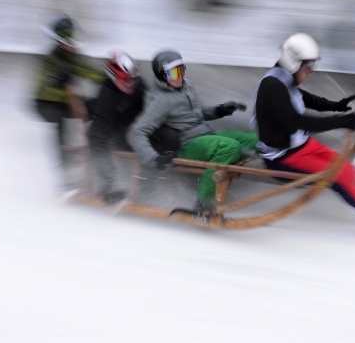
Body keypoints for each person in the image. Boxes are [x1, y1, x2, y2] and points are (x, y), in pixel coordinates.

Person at [253, 32, 355, 237]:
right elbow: (294, 123)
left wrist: (335, 106)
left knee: (348, 170)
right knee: (339, 176)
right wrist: (341, 122)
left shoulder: (282, 78)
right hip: (282, 158)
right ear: (292, 62)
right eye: (309, 66)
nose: (312, 71)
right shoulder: (272, 85)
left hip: (301, 146)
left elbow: (303, 98)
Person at [127, 50, 258, 217]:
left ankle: (276, 165)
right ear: (162, 75)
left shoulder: (187, 86)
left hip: (206, 136)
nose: (179, 75)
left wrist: (219, 110)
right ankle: (203, 204)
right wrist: (154, 158)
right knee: (230, 147)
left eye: (181, 69)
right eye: (174, 72)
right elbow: (136, 132)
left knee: (252, 139)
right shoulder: (161, 101)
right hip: (187, 145)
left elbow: (197, 113)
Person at [34, 15, 104, 167]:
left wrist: (110, 79)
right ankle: (63, 164)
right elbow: (44, 88)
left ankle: (98, 146)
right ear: (60, 41)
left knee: (97, 107)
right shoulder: (51, 59)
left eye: (74, 40)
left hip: (67, 100)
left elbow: (90, 72)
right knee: (60, 121)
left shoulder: (73, 57)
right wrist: (57, 81)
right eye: (69, 41)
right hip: (46, 103)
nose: (73, 45)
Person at [88, 50, 147, 203]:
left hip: (139, 129)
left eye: (135, 79)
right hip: (118, 136)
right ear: (114, 78)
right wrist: (111, 180)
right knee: (95, 139)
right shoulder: (106, 99)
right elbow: (96, 137)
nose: (133, 84)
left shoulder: (138, 86)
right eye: (127, 81)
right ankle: (112, 184)